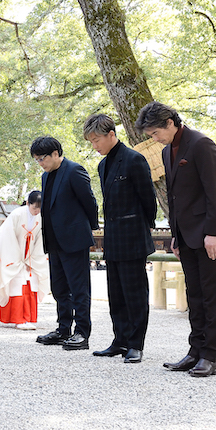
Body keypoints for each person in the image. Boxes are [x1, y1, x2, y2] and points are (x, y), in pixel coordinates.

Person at [135, 102, 216, 377]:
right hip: (186, 234)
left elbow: (215, 191)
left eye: (155, 133)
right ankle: (194, 351)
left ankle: (210, 356)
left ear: (169, 122)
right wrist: (175, 236)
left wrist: (213, 233)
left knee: (212, 295)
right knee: (195, 294)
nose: (154, 139)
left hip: (211, 232)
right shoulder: (167, 151)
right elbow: (174, 198)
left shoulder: (202, 144)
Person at [84, 113, 157, 364]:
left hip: (133, 235)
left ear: (111, 135)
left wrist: (142, 228)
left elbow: (149, 200)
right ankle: (120, 340)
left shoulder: (135, 159)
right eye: (91, 142)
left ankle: (136, 344)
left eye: (97, 140)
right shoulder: (103, 165)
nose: (95, 146)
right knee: (116, 292)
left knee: (135, 292)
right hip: (113, 237)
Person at [31, 137, 99, 350]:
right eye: (37, 160)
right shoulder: (45, 176)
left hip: (74, 238)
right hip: (53, 241)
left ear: (55, 153)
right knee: (59, 288)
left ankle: (82, 332)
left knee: (79, 288)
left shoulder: (74, 170)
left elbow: (90, 202)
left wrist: (89, 228)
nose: (41, 163)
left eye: (42, 158)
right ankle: (63, 329)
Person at [0, 191, 50, 330]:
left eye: (39, 208)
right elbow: (7, 237)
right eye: (34, 207)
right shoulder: (17, 215)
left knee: (32, 284)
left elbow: (39, 241)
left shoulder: (41, 218)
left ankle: (28, 318)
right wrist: (17, 258)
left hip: (30, 258)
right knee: (17, 285)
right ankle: (18, 319)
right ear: (27, 203)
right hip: (14, 256)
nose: (37, 211)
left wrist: (33, 260)